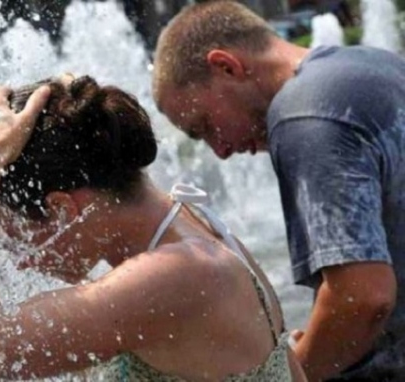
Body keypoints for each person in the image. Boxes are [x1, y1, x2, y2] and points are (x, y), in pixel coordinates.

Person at [0, 74, 306, 381]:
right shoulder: (198, 230)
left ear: (60, 210)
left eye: (16, 238)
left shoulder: (173, 274)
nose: (20, 261)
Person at [152, 1, 405, 380]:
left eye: (204, 125)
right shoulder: (374, 64)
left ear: (226, 66)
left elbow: (361, 297)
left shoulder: (304, 116)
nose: (220, 152)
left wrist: (287, 372)